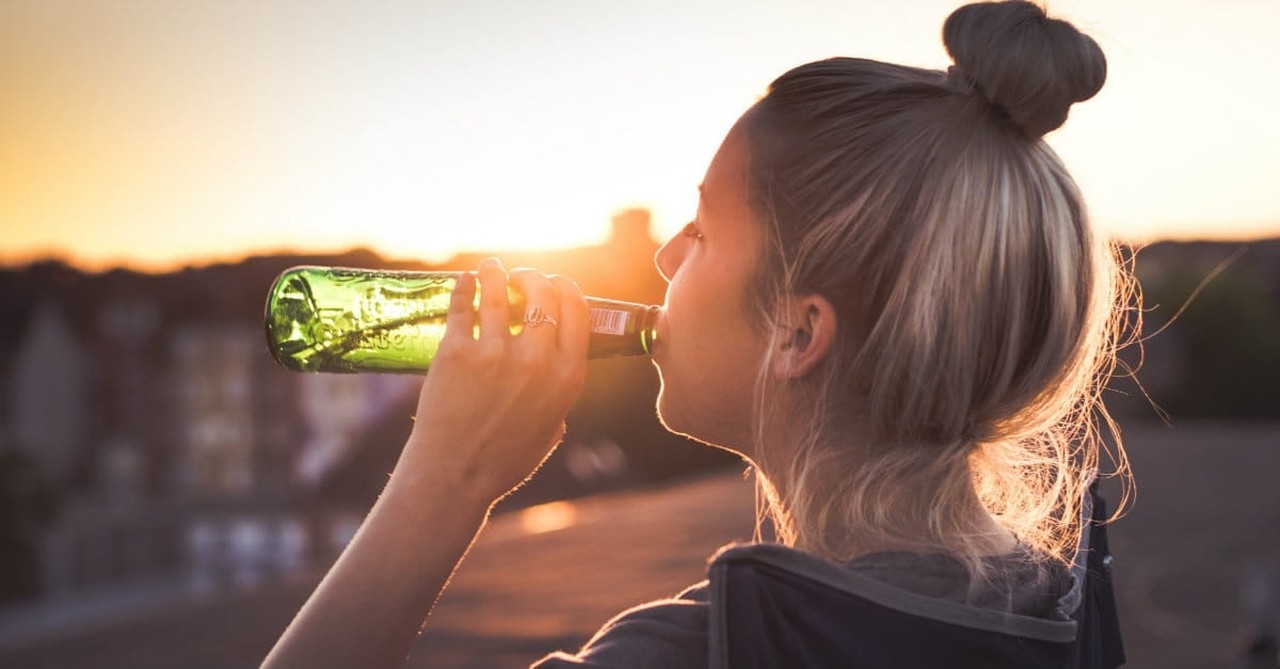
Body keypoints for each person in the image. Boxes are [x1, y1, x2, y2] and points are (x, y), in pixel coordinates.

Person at [262, 1, 1133, 667]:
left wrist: (447, 477)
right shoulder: (1065, 609)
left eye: (706, 230)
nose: (669, 256)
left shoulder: (695, 653)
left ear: (797, 332)